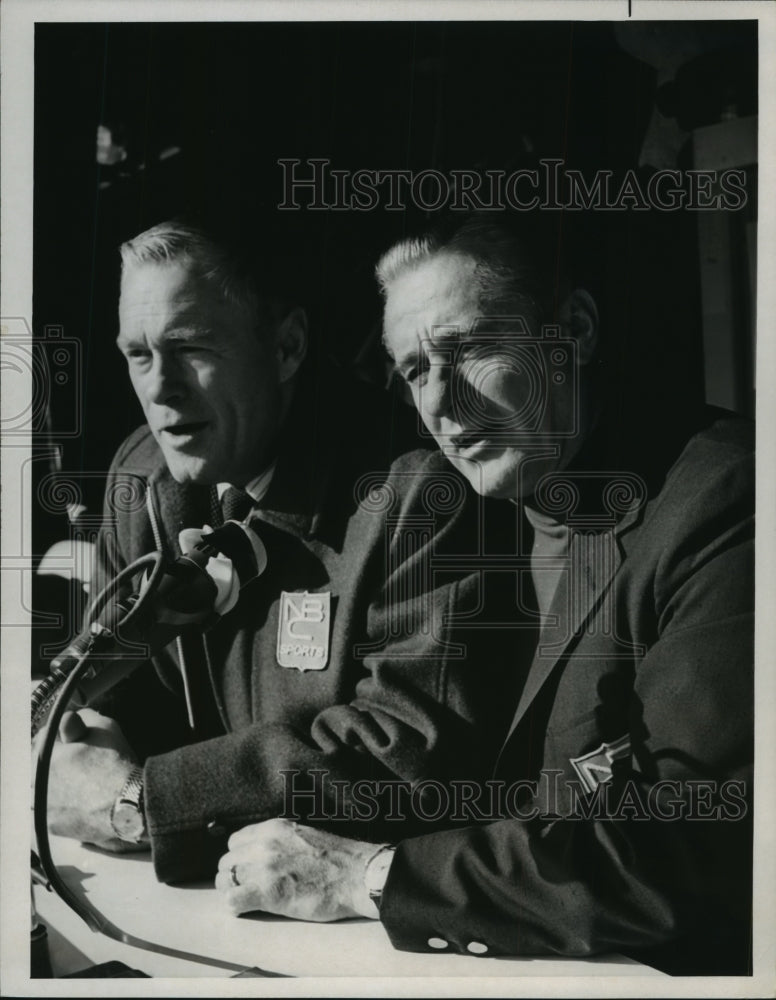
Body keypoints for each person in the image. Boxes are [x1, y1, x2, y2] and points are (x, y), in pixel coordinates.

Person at [215, 214, 754, 976]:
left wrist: (367, 875)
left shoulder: (724, 499)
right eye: (413, 370)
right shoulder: (475, 519)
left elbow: (682, 848)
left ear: (574, 331)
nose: (441, 402)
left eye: (465, 350)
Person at [40, 219, 523, 884]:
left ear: (288, 346)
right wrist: (72, 745)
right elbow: (116, 702)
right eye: (139, 355)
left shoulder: (418, 490)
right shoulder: (142, 480)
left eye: (191, 348)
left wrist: (145, 804)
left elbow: (406, 759)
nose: (161, 389)